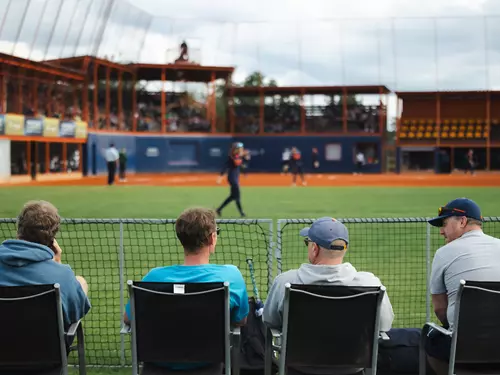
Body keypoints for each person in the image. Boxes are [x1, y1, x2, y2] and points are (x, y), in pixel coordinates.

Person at [124, 207, 249, 372]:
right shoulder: (231, 276)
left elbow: (128, 318)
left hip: (157, 365)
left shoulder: (154, 278)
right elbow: (241, 320)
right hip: (208, 366)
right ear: (212, 238)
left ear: (181, 239)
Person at [263, 217, 394, 375]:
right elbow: (384, 325)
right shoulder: (370, 283)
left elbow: (270, 321)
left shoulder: (286, 281)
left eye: (308, 242)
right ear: (344, 249)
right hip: (352, 368)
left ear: (314, 249)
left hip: (298, 368)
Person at [426, 198, 500, 375]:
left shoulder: (444, 253)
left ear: (462, 221)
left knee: (427, 338)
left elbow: (439, 308)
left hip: (461, 349)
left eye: (444, 224)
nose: (441, 232)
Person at [0, 201, 91, 332]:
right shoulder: (62, 275)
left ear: (19, 228)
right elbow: (73, 313)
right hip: (46, 349)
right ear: (52, 238)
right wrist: (57, 265)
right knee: (80, 282)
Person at [216, 142, 246, 217]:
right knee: (237, 196)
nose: (242, 149)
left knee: (232, 196)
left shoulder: (237, 156)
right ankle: (242, 213)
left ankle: (218, 209)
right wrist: (220, 177)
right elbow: (236, 163)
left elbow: (240, 166)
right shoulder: (234, 156)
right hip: (232, 178)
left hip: (234, 177)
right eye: (240, 148)